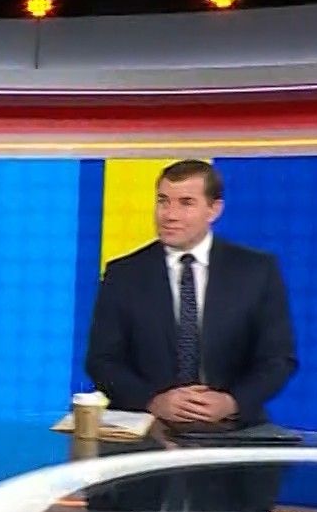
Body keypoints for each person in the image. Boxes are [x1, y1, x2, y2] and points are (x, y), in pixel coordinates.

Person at [84, 159, 297, 428]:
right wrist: (152, 401)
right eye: (163, 201)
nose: (169, 215)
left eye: (186, 203)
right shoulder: (124, 274)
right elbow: (102, 361)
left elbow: (278, 359)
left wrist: (232, 402)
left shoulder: (257, 271)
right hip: (149, 426)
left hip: (234, 428)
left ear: (214, 209)